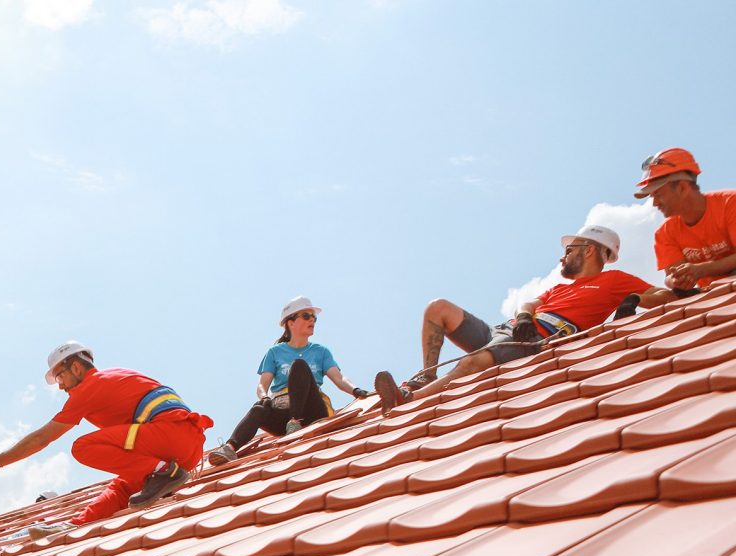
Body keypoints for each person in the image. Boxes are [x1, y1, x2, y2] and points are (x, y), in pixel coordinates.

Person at [376, 224, 666, 409]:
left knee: (472, 362)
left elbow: (665, 296)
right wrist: (525, 316)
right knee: (437, 308)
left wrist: (634, 299)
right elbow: (529, 302)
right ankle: (425, 379)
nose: (562, 257)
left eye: (569, 250)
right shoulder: (559, 287)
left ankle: (408, 401)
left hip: (539, 339)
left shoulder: (614, 280)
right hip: (513, 330)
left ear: (589, 250)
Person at [0, 342, 214, 538]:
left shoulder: (89, 388)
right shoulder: (117, 374)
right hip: (185, 446)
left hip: (170, 437)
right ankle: (74, 525)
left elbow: (41, 438)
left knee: (84, 447)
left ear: (76, 368)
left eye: (60, 377)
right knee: (123, 486)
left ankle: (166, 472)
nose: (61, 387)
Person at [207, 297, 369, 465]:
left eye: (314, 317)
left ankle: (295, 422)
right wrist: (264, 397)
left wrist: (355, 390)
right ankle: (229, 448)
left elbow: (339, 378)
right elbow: (262, 385)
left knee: (299, 366)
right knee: (258, 409)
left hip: (313, 410)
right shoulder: (275, 352)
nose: (312, 320)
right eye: (306, 316)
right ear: (290, 323)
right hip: (282, 412)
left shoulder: (320, 352)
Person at [634, 147, 736, 297]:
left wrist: (701, 270)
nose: (655, 203)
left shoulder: (730, 203)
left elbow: (699, 270)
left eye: (658, 194)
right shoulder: (665, 233)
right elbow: (670, 276)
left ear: (682, 187)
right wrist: (677, 279)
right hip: (715, 299)